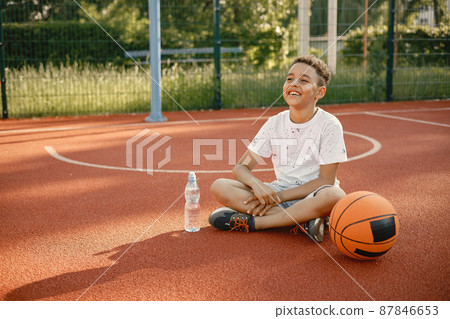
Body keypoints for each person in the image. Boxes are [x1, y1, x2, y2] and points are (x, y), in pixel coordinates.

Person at [208, 55, 347, 242]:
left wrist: (278, 197)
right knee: (220, 186)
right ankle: (303, 222)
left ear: (319, 92)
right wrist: (258, 186)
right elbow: (241, 167)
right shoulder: (274, 123)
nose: (294, 84)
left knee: (336, 195)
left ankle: (257, 223)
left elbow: (326, 180)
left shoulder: (329, 124)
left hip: (313, 195)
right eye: (289, 79)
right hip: (279, 193)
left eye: (303, 80)